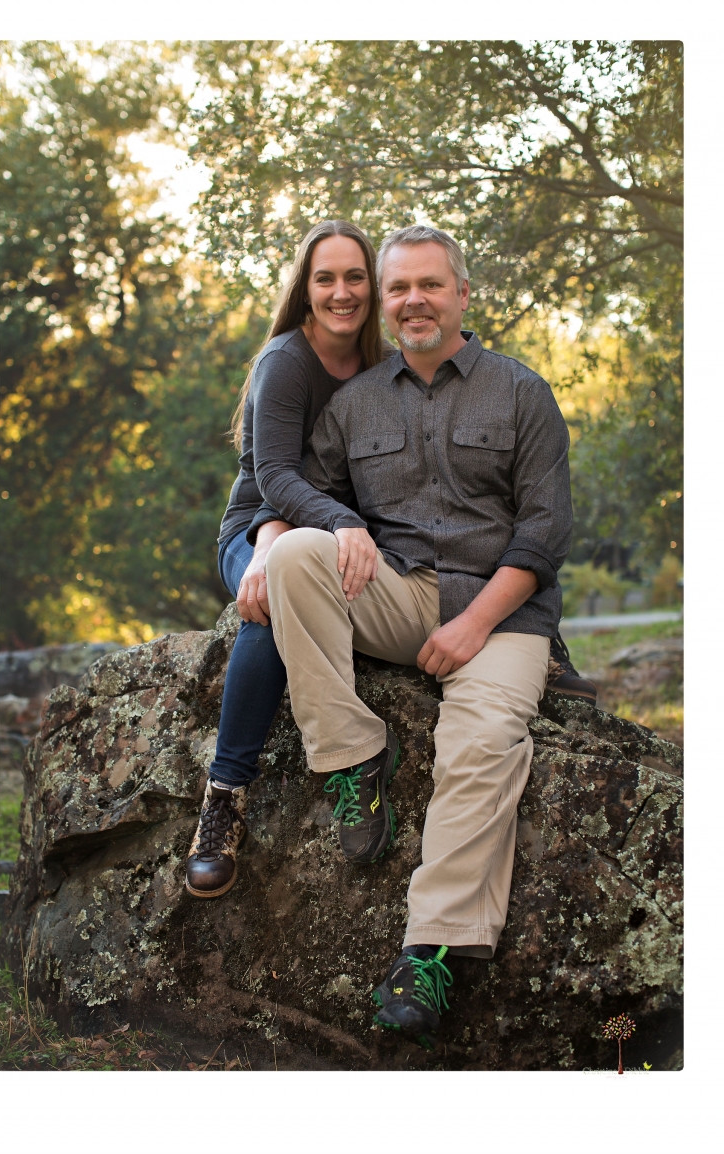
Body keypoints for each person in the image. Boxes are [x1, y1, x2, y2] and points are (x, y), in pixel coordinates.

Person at [257, 224, 576, 1049]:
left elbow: (542, 536)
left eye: (431, 286)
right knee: (297, 555)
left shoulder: (520, 392)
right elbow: (293, 488)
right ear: (384, 304)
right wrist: (277, 538)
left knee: (482, 743)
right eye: (398, 289)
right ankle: (353, 756)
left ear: (463, 295)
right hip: (396, 595)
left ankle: (426, 951)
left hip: (501, 611)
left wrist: (473, 626)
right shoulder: (357, 400)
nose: (413, 301)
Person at [185, 220, 387, 900]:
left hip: (333, 537)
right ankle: (224, 798)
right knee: (274, 604)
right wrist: (287, 540)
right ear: (305, 288)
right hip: (259, 529)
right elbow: (273, 477)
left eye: (354, 276)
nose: (341, 291)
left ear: (373, 285)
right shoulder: (286, 361)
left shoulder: (385, 369)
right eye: (325, 277)